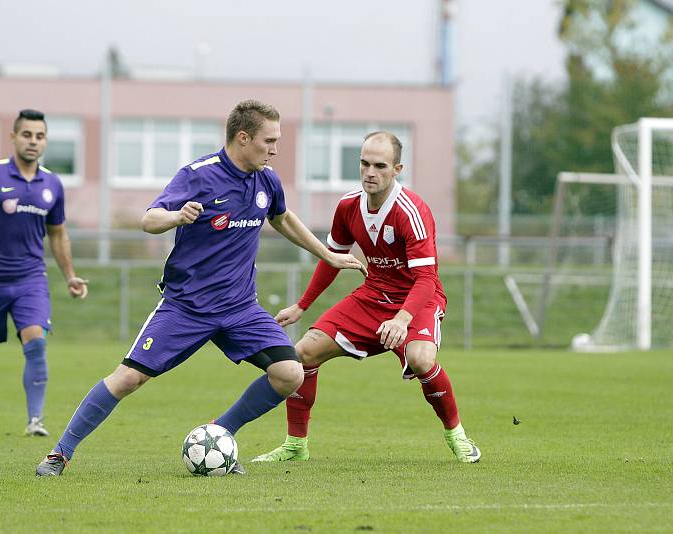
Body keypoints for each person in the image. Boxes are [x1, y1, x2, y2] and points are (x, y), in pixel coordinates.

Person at [35, 99, 366, 477]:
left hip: (241, 308)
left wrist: (328, 254)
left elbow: (282, 217)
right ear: (243, 138)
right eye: (269, 140)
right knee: (128, 377)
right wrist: (177, 216)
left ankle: (218, 435)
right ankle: (60, 453)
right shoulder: (198, 175)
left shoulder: (267, 179)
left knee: (290, 372)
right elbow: (149, 219)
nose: (275, 149)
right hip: (186, 307)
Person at [252, 131, 481, 464]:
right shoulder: (348, 206)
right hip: (373, 296)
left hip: (417, 299)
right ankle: (295, 445)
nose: (370, 172)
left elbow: (427, 279)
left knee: (421, 360)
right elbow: (333, 259)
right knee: (303, 352)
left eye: (380, 165)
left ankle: (456, 435)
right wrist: (302, 305)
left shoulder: (410, 211)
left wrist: (403, 319)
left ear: (397, 168)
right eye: (364, 163)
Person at [0, 109, 89, 438]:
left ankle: (35, 421)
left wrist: (70, 275)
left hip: (31, 280)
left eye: (40, 136)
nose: (33, 141)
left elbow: (57, 234)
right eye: (27, 135)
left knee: (36, 341)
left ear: (45, 142)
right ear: (13, 137)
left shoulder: (53, 183)